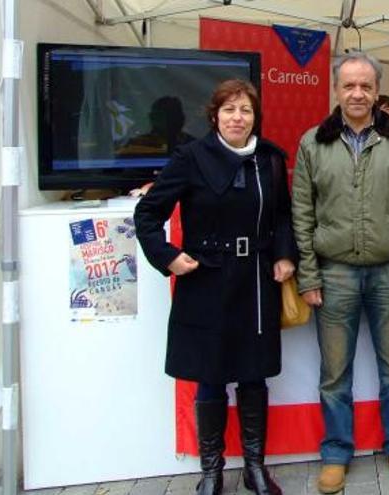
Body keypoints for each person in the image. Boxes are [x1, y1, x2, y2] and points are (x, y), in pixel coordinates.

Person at [134, 79, 297, 495]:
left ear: (255, 116)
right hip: (206, 279)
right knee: (209, 377)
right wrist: (167, 255)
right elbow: (148, 213)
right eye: (229, 110)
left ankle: (255, 467)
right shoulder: (190, 158)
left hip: (255, 279)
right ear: (214, 115)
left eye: (245, 110)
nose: (238, 118)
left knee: (253, 375)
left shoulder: (270, 159)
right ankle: (212, 471)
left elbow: (282, 216)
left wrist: (283, 254)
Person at [291, 51, 389, 494]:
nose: (357, 93)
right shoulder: (313, 142)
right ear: (336, 89)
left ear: (376, 90)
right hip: (334, 276)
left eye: (365, 86)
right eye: (349, 85)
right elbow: (302, 214)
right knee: (335, 374)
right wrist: (309, 275)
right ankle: (335, 452)